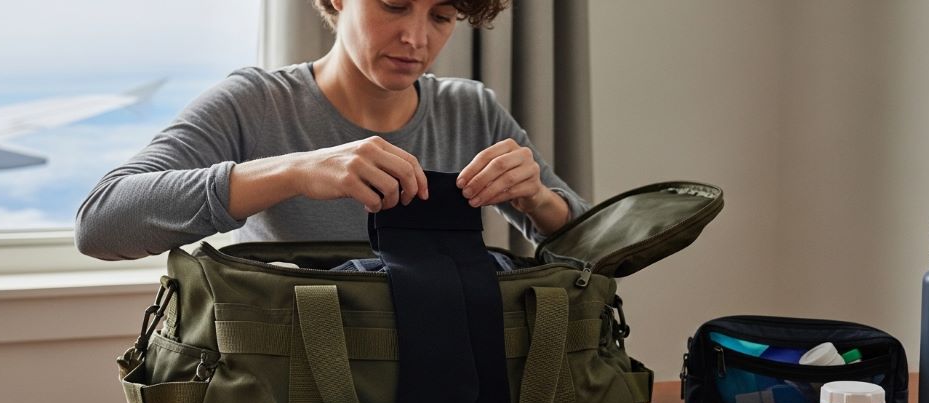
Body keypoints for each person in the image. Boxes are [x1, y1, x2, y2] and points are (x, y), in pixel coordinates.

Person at [75, 0, 589, 261]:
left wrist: (538, 200)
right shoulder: (255, 103)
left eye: (442, 16)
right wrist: (296, 171)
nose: (416, 37)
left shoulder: (470, 109)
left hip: (441, 396)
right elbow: (100, 223)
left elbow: (597, 251)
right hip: (289, 395)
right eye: (393, 4)